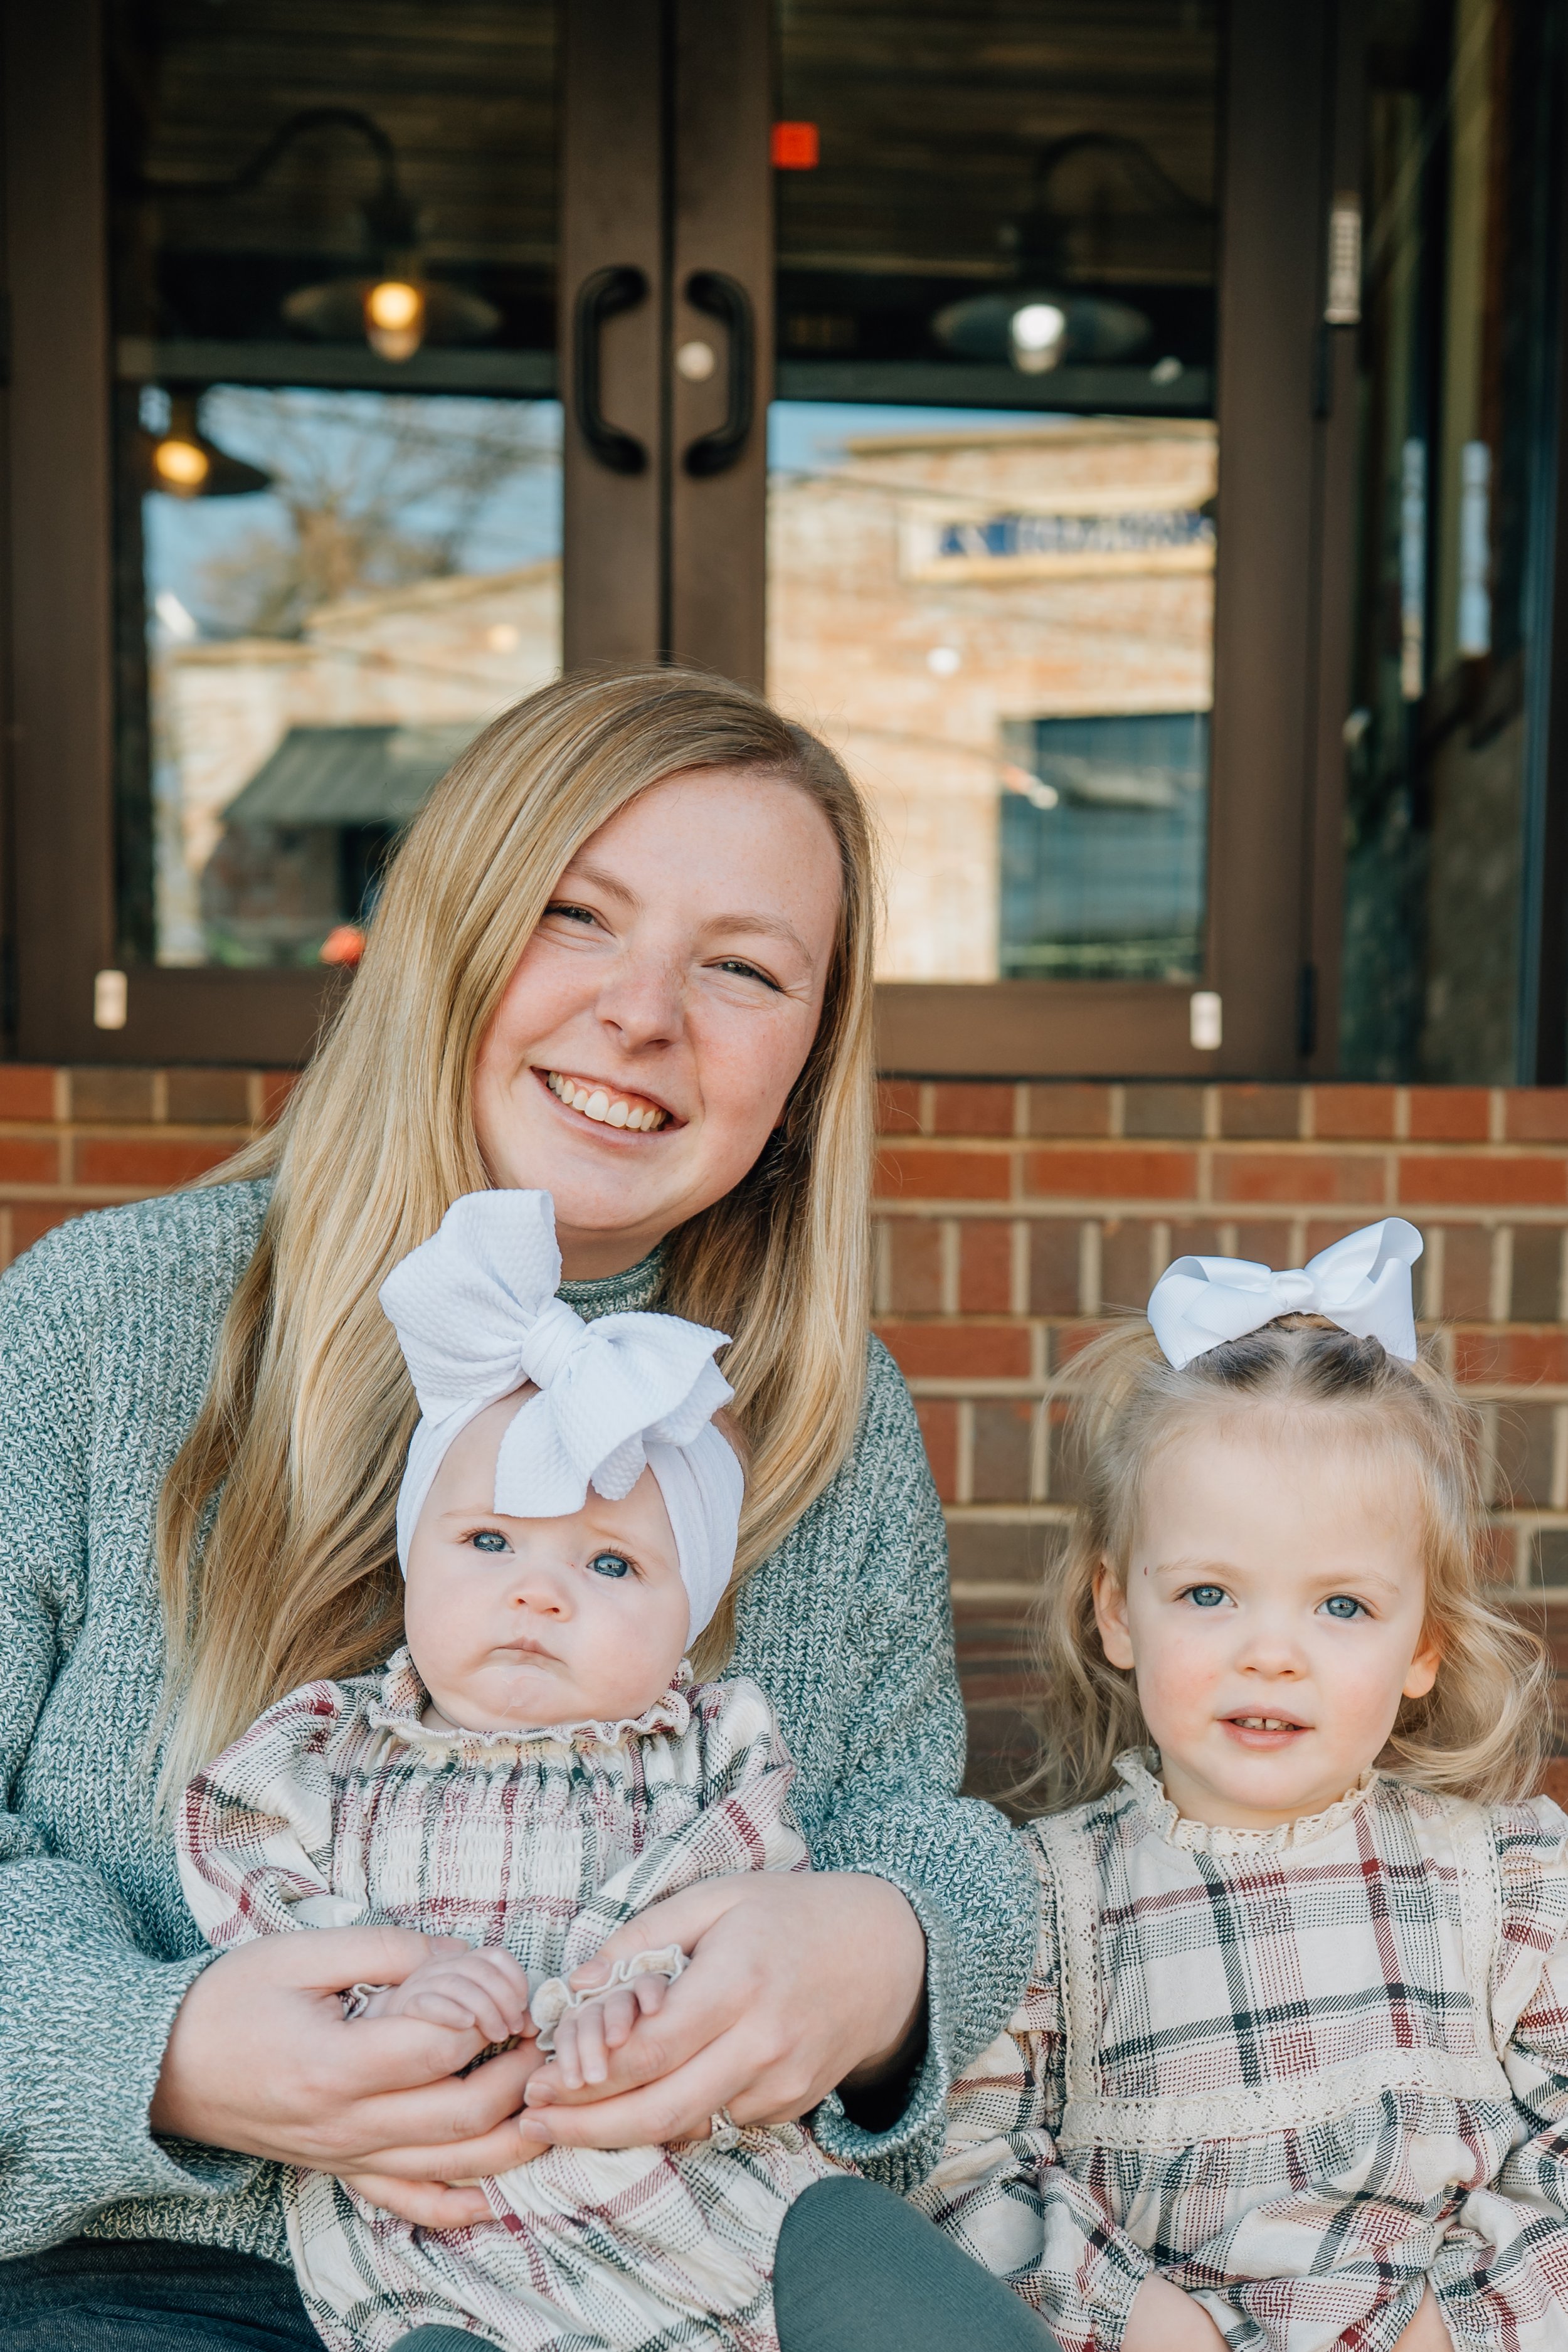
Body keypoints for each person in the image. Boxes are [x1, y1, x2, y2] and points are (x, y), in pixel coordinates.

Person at [0, 670, 1037, 2350]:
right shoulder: (105, 1324)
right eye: (577, 916)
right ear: (445, 932)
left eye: (742, 966)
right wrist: (163, 2043)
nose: (642, 1013)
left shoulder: (825, 1412)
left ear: (808, 1064)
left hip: (669, 2268)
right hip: (152, 2273)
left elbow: (914, 1824)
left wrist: (884, 1948)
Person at [178, 1185, 844, 2352]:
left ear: (688, 1618)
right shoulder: (327, 1745)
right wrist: (377, 1993)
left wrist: (647, 1986)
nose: (538, 1591)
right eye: (489, 1541)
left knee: (807, 2253)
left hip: (664, 2176)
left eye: (611, 1562)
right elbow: (242, 1865)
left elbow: (736, 1880)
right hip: (438, 2199)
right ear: (411, 1562)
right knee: (426, 2325)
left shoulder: (710, 1741)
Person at [914, 1219, 1568, 2351]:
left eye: (1343, 1605)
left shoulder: (1499, 1883)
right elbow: (964, 2160)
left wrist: (1454, 2323)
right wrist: (1148, 2322)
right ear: (1120, 1610)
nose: (1272, 1652)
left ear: (1425, 1647)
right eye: (1212, 1593)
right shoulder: (1048, 1904)